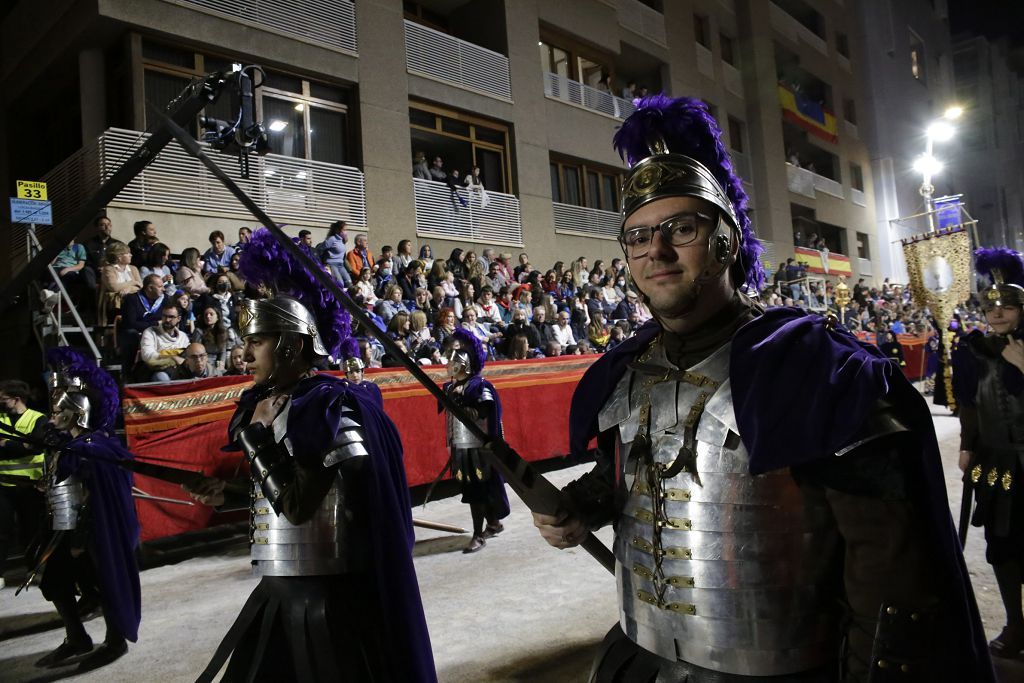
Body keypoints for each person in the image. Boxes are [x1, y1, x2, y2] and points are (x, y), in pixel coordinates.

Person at [532, 94, 993, 681]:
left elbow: (891, 575)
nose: (658, 251)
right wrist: (582, 505)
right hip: (640, 658)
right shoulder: (628, 368)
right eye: (640, 236)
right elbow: (638, 466)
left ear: (726, 240)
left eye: (682, 229)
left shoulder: (814, 368)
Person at [185, 228, 436, 682]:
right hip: (279, 590)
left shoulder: (326, 406)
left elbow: (301, 503)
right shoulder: (275, 402)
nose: (245, 355)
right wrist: (231, 493)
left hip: (330, 600)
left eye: (256, 342)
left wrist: (258, 439)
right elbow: (282, 491)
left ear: (290, 345)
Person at [34, 348, 140, 669]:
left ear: (75, 411)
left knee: (103, 579)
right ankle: (76, 637)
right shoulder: (65, 446)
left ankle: (115, 641)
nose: (52, 413)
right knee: (52, 578)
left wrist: (84, 536)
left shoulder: (98, 448)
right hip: (63, 526)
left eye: (59, 407)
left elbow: (101, 493)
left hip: (93, 531)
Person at [954, 247, 1024, 659]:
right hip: (997, 462)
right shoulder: (975, 350)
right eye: (990, 307)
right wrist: (966, 447)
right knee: (1002, 543)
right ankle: (1016, 626)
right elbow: (970, 405)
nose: (997, 314)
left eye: (1007, 307)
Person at [439, 329, 510, 552]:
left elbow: (481, 413)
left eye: (455, 358)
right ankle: (494, 523)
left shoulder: (478, 386)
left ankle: (478, 535)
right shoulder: (450, 388)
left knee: (477, 491)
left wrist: (458, 404)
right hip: (460, 447)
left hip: (477, 449)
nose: (450, 362)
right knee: (474, 489)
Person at [0, 380, 47, 587]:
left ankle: (34, 568)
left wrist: (6, 444)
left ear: (16, 399)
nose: (1, 404)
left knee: (32, 530)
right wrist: (22, 444)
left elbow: (36, 447)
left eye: (4, 400)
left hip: (30, 485)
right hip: (3, 484)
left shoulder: (38, 419)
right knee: (2, 531)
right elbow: (27, 446)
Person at [139, 303, 190, 382]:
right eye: (164, 316)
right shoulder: (150, 332)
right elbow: (147, 355)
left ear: (179, 319)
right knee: (162, 377)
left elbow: (187, 357)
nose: (167, 320)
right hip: (157, 371)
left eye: (171, 317)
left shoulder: (183, 337)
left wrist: (162, 354)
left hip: (179, 372)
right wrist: (173, 357)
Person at [97, 242, 142, 327]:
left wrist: (129, 289)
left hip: (133, 302)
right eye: (128, 253)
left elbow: (141, 286)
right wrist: (133, 283)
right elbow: (114, 287)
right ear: (119, 257)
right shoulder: (108, 269)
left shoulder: (133, 269)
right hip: (115, 305)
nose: (131, 255)